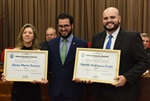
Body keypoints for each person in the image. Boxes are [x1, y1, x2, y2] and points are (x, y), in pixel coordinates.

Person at [90, 7, 149, 101]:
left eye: (112, 17)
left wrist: (126, 77)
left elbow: (144, 62)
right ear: (102, 21)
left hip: (125, 93)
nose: (109, 21)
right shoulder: (96, 38)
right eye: (106, 18)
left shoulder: (132, 37)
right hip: (101, 92)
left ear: (119, 18)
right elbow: (94, 61)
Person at [1, 23, 48, 101]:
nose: (27, 35)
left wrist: (41, 79)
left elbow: (42, 75)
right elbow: (9, 74)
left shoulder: (39, 53)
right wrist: (6, 76)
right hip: (18, 91)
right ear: (21, 35)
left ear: (34, 36)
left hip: (33, 90)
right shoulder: (14, 52)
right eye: (25, 32)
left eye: (30, 33)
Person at [48, 13, 87, 101]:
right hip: (55, 91)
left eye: (66, 26)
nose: (63, 29)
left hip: (74, 91)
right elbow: (48, 65)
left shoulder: (81, 44)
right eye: (60, 26)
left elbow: (84, 67)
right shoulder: (51, 43)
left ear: (72, 26)